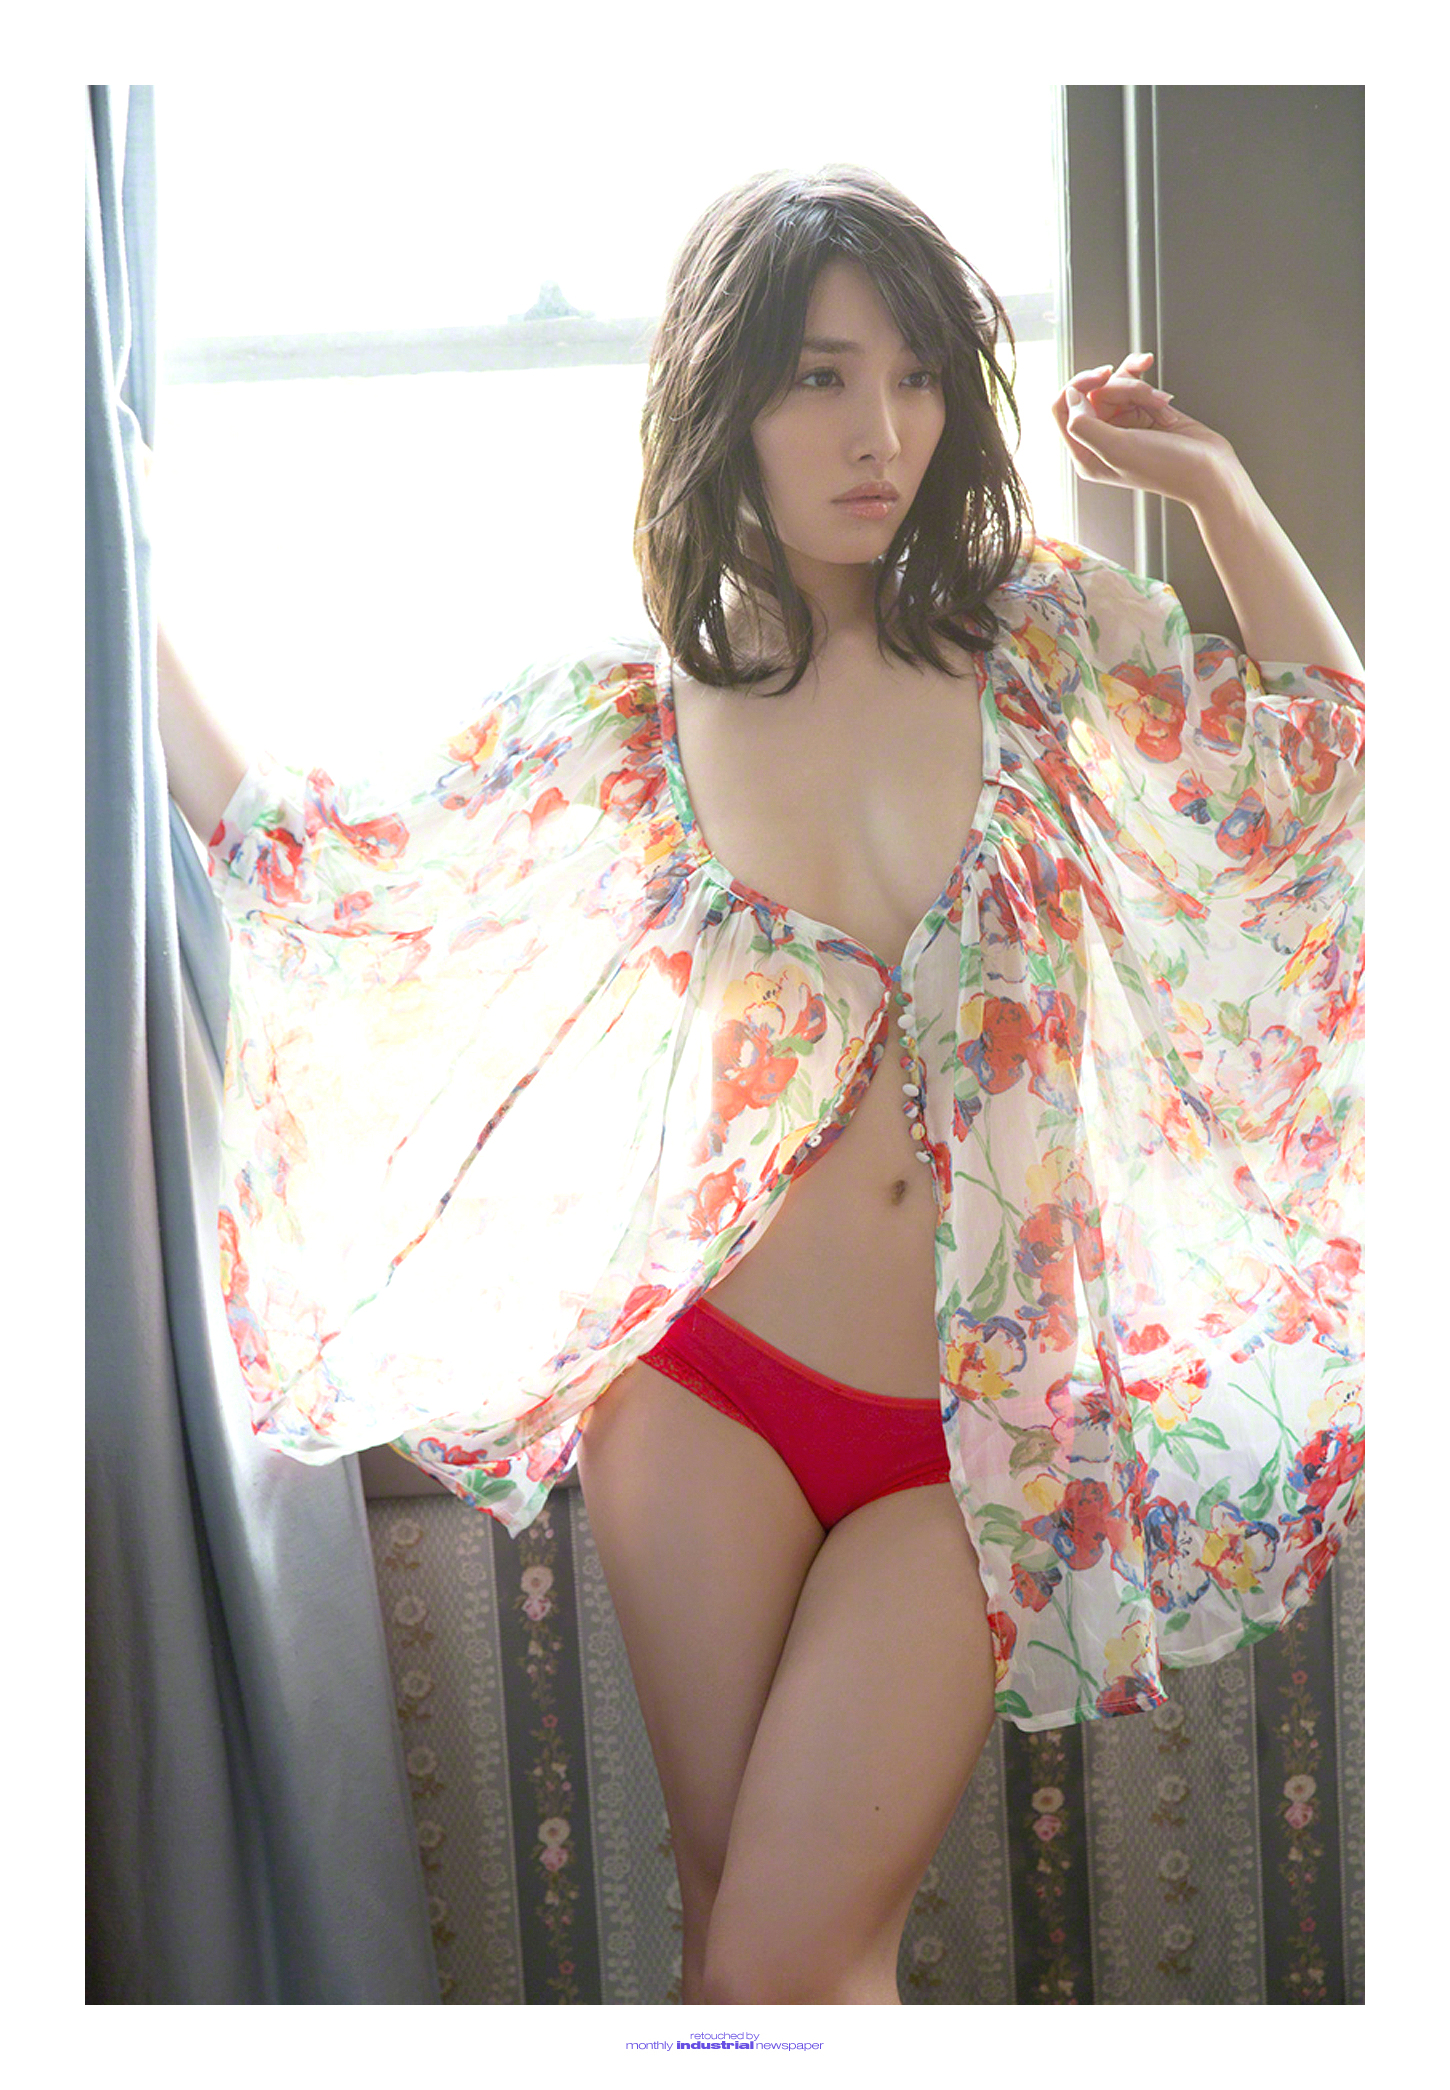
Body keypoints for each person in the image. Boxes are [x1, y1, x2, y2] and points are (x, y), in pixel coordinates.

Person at [152, 166, 1364, 2007]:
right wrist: (93, 544)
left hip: (966, 1431)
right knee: (748, 1943)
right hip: (702, 1394)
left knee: (784, 1956)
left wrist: (1210, 486)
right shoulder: (637, 723)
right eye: (818, 377)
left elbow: (1327, 768)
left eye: (914, 376)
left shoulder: (1041, 649)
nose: (879, 433)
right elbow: (315, 860)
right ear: (727, 399)